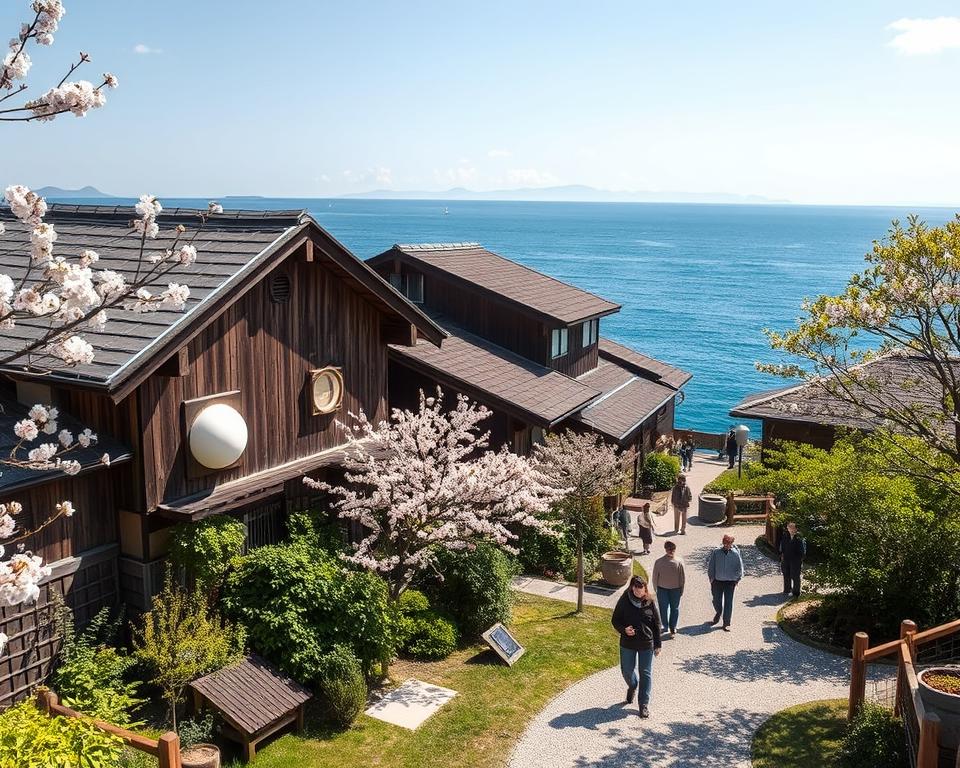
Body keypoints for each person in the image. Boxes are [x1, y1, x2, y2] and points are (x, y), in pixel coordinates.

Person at [611, 576, 662, 717]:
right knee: (627, 670)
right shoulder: (624, 601)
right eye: (638, 590)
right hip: (628, 642)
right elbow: (615, 620)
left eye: (643, 589)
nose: (641, 593)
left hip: (646, 643)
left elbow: (657, 624)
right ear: (633, 588)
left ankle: (643, 704)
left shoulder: (649, 601)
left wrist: (658, 644)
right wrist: (624, 630)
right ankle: (632, 686)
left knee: (645, 673)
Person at [707, 534, 744, 631]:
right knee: (716, 600)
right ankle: (718, 612)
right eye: (725, 543)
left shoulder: (735, 554)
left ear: (732, 543)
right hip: (717, 581)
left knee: (728, 602)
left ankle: (726, 622)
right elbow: (711, 565)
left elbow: (740, 567)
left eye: (729, 544)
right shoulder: (716, 552)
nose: (727, 545)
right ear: (723, 543)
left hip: (730, 582)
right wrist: (711, 578)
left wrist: (737, 579)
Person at [651, 540, 685, 636]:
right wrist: (655, 589)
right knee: (663, 608)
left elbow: (682, 577)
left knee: (675, 608)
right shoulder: (659, 562)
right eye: (669, 549)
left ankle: (673, 626)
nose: (671, 551)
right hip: (662, 589)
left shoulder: (679, 561)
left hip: (675, 589)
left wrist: (681, 589)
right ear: (665, 549)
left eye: (673, 549)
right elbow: (655, 577)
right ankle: (665, 626)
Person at [779, 521, 806, 597]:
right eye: (789, 527)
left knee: (795, 575)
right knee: (786, 574)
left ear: (795, 528)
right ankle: (787, 589)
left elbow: (803, 550)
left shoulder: (799, 537)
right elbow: (782, 546)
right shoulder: (785, 535)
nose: (790, 529)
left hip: (795, 560)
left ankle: (796, 592)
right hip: (786, 558)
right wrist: (781, 555)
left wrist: (800, 558)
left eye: (792, 527)